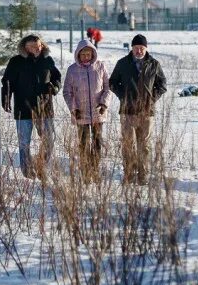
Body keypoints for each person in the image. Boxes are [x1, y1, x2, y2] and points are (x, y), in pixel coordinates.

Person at [107, 33, 167, 185]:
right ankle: (128, 174)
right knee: (128, 144)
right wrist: (123, 96)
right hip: (127, 111)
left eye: (142, 48)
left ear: (146, 49)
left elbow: (162, 85)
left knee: (144, 145)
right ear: (132, 48)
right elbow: (112, 82)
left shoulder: (154, 64)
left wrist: (151, 98)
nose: (139, 51)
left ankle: (143, 175)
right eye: (136, 48)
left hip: (147, 112)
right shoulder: (122, 63)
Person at [0, 34, 61, 178]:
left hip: (44, 108)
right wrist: (6, 98)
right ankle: (27, 172)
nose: (37, 48)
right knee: (24, 143)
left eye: (39, 45)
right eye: (33, 46)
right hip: (23, 107)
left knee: (49, 140)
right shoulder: (16, 61)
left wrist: (55, 87)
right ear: (25, 47)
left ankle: (41, 166)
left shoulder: (47, 60)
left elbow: (57, 77)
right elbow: (7, 81)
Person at [62, 37, 110, 179]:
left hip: (97, 113)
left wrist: (104, 104)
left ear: (93, 54)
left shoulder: (100, 67)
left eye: (88, 54)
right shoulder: (72, 70)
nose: (85, 57)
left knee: (97, 143)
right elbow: (67, 92)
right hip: (80, 114)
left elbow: (108, 87)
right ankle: (85, 172)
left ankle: (94, 171)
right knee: (83, 144)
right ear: (78, 54)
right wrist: (73, 109)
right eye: (82, 54)